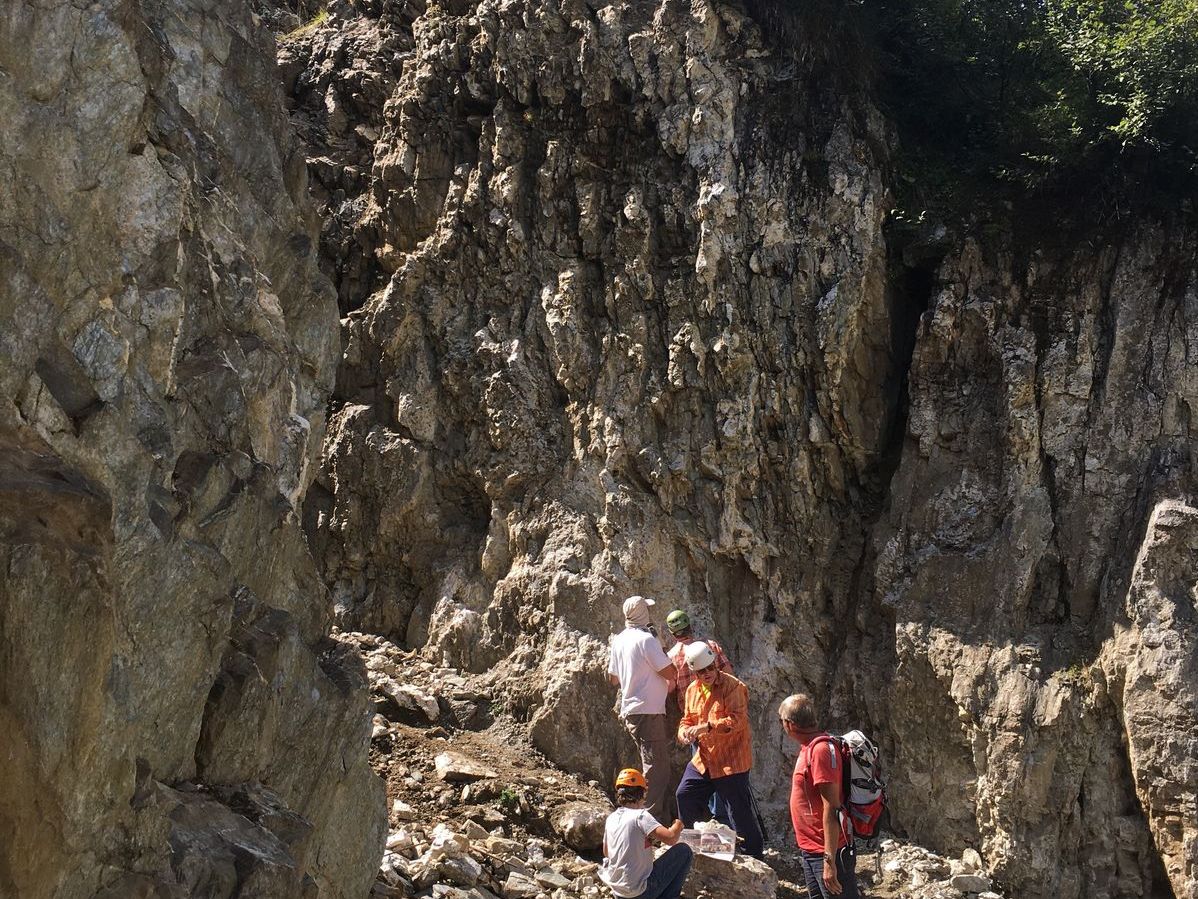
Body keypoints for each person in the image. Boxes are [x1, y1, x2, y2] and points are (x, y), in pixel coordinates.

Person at [673, 641, 764, 858]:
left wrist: (707, 727)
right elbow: (687, 719)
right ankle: (695, 847)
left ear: (716, 664)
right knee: (685, 795)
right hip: (705, 758)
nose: (707, 674)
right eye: (701, 671)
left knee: (738, 813)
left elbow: (738, 720)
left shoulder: (733, 687)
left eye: (710, 668)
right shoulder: (692, 691)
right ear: (694, 672)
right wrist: (683, 732)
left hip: (731, 760)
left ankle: (754, 856)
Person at [780, 693, 859, 899]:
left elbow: (832, 807)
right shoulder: (809, 747)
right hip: (811, 851)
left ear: (789, 724)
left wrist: (829, 861)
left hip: (826, 852)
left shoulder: (821, 750)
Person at [609, 595, 675, 821]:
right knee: (658, 769)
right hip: (648, 710)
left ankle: (653, 817)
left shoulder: (619, 640)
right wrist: (661, 649)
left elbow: (613, 679)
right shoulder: (646, 640)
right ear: (642, 614)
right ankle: (648, 820)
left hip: (633, 709)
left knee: (652, 764)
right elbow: (669, 672)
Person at [600, 768, 694, 899]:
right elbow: (671, 838)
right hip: (639, 893)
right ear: (642, 794)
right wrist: (678, 825)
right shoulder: (640, 815)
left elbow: (606, 852)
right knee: (684, 851)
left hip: (618, 892)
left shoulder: (612, 818)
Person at [665, 609, 733, 712]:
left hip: (693, 711)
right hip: (718, 706)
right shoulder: (711, 646)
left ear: (673, 634)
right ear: (690, 627)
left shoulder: (670, 657)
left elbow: (670, 688)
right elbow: (729, 674)